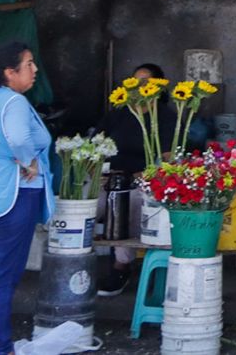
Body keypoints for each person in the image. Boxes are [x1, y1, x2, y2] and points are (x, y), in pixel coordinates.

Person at [95, 63, 173, 297]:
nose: (139, 88)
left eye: (145, 83)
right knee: (86, 204)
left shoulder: (166, 118)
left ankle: (121, 266)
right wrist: (98, 171)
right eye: (135, 82)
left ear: (157, 88)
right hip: (111, 179)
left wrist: (149, 173)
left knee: (127, 204)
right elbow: (96, 146)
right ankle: (76, 261)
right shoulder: (118, 115)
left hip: (142, 181)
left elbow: (169, 159)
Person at [0, 41, 53, 355]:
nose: (34, 71)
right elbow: (19, 138)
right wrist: (27, 159)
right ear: (9, 72)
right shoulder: (14, 102)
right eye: (28, 64)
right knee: (5, 274)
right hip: (16, 194)